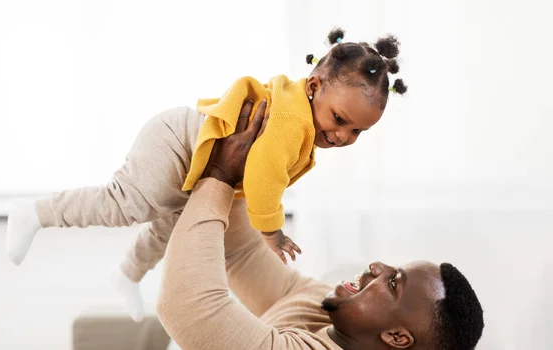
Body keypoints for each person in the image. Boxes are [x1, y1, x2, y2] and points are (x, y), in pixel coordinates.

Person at [4, 27, 408, 321]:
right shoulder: (293, 121)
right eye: (339, 119)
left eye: (357, 131)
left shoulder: (304, 115)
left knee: (168, 229)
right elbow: (265, 174)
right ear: (314, 86)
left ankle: (127, 273)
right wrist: (272, 231)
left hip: (194, 160)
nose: (342, 136)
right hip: (177, 144)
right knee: (123, 205)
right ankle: (36, 213)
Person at [156, 100, 485, 350]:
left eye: (394, 282)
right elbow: (242, 255)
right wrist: (250, 162)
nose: (377, 266)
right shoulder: (332, 313)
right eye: (393, 268)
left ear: (397, 337)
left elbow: (187, 309)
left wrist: (219, 176)